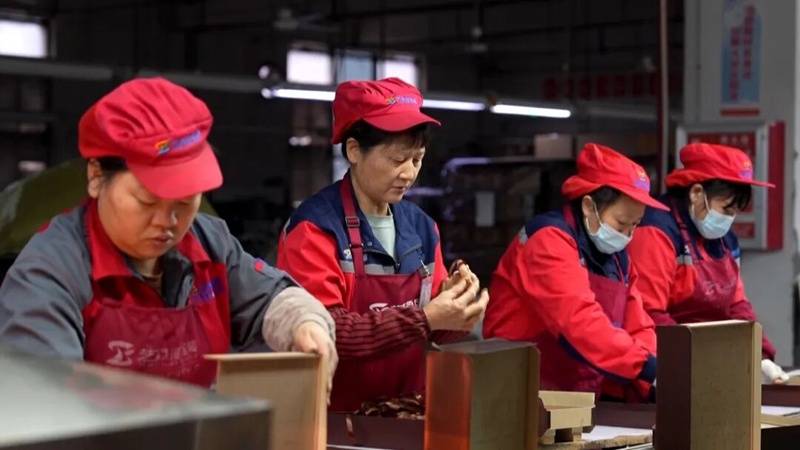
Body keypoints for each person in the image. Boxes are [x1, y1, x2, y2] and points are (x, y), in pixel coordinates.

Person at [0, 77, 337, 389]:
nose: (168, 221)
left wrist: (305, 324)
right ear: (96, 177)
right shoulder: (48, 274)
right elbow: (45, 398)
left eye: (185, 201)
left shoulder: (209, 242)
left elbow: (269, 298)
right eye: (146, 201)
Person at [277, 77, 489, 411]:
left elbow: (435, 333)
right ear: (354, 151)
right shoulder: (315, 229)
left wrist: (459, 309)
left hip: (404, 414)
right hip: (334, 419)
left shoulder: (422, 228)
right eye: (396, 159)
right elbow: (326, 331)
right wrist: (426, 318)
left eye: (417, 159)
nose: (409, 174)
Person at [484, 143, 661, 400]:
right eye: (621, 223)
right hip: (520, 393)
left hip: (580, 396)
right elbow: (578, 321)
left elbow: (639, 325)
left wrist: (651, 381)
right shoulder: (548, 240)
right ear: (589, 206)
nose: (627, 235)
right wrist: (646, 367)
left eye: (635, 225)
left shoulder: (619, 259)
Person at [627, 142, 788, 384]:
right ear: (696, 193)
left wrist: (759, 354)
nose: (729, 219)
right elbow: (648, 313)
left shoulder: (725, 239)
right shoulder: (656, 230)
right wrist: (705, 357)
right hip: (663, 366)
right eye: (726, 209)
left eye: (735, 212)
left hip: (707, 363)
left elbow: (737, 306)